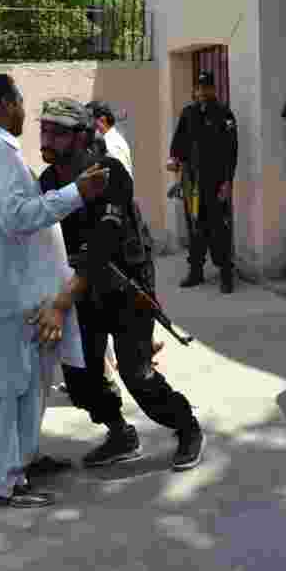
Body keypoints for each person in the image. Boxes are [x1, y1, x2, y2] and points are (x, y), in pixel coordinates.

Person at [0, 75, 108, 508]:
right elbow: (17, 216)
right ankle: (5, 481)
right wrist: (77, 192)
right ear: (5, 104)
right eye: (20, 101)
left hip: (3, 287)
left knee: (27, 385)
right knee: (15, 388)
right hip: (12, 294)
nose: (25, 111)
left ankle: (23, 459)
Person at [39, 98, 206, 471]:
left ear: (82, 137)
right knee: (81, 375)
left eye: (57, 132)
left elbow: (105, 240)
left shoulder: (111, 171)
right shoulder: (48, 181)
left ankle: (187, 427)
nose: (46, 138)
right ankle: (119, 433)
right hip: (84, 286)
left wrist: (66, 297)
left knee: (137, 373)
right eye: (44, 129)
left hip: (126, 283)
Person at [168, 70, 239, 294]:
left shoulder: (224, 114)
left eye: (205, 88)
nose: (201, 92)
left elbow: (232, 151)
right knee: (195, 227)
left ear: (213, 89)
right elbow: (178, 144)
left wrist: (228, 182)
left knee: (219, 227)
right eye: (198, 88)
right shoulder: (188, 114)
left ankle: (226, 274)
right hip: (192, 183)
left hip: (216, 181)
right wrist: (175, 161)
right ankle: (196, 272)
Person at [87, 101, 133, 178]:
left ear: (102, 119)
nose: (86, 124)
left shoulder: (110, 145)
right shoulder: (112, 138)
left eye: (89, 118)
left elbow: (120, 178)